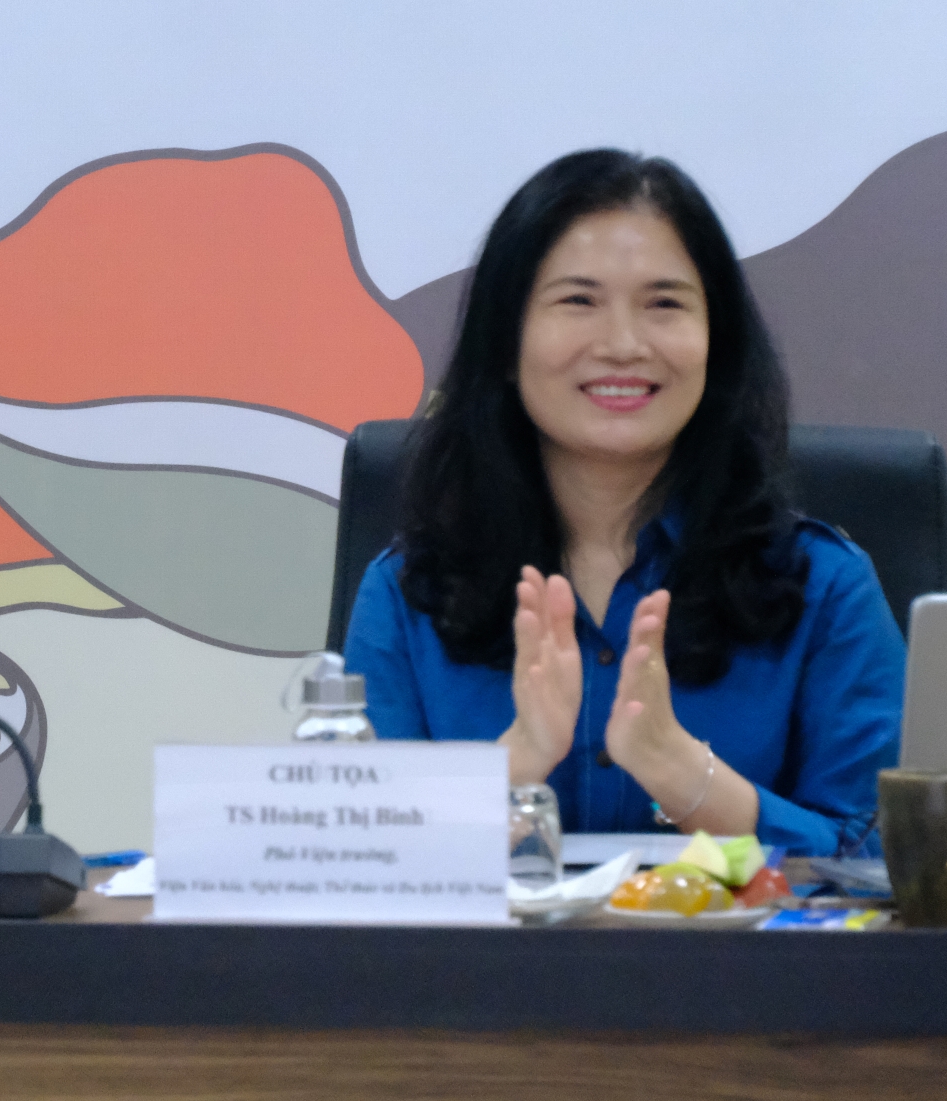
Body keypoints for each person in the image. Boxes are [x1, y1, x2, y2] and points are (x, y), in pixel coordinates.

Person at [340, 149, 903, 856]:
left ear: (716, 344)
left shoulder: (824, 587)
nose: (624, 345)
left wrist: (684, 774)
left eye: (664, 304)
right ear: (506, 342)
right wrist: (516, 762)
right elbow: (355, 858)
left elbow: (886, 863)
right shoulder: (406, 595)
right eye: (578, 301)